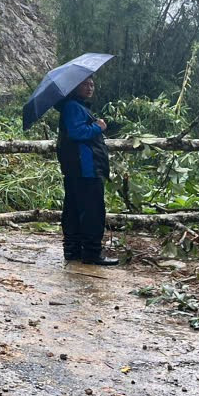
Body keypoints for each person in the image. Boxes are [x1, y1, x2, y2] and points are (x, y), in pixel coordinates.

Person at [55, 76, 119, 266]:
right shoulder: (73, 107)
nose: (90, 87)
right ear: (75, 86)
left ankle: (73, 251)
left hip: (76, 168)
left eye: (92, 84)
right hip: (86, 168)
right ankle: (92, 253)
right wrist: (98, 126)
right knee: (93, 212)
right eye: (85, 84)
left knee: (73, 210)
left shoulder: (73, 106)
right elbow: (77, 132)